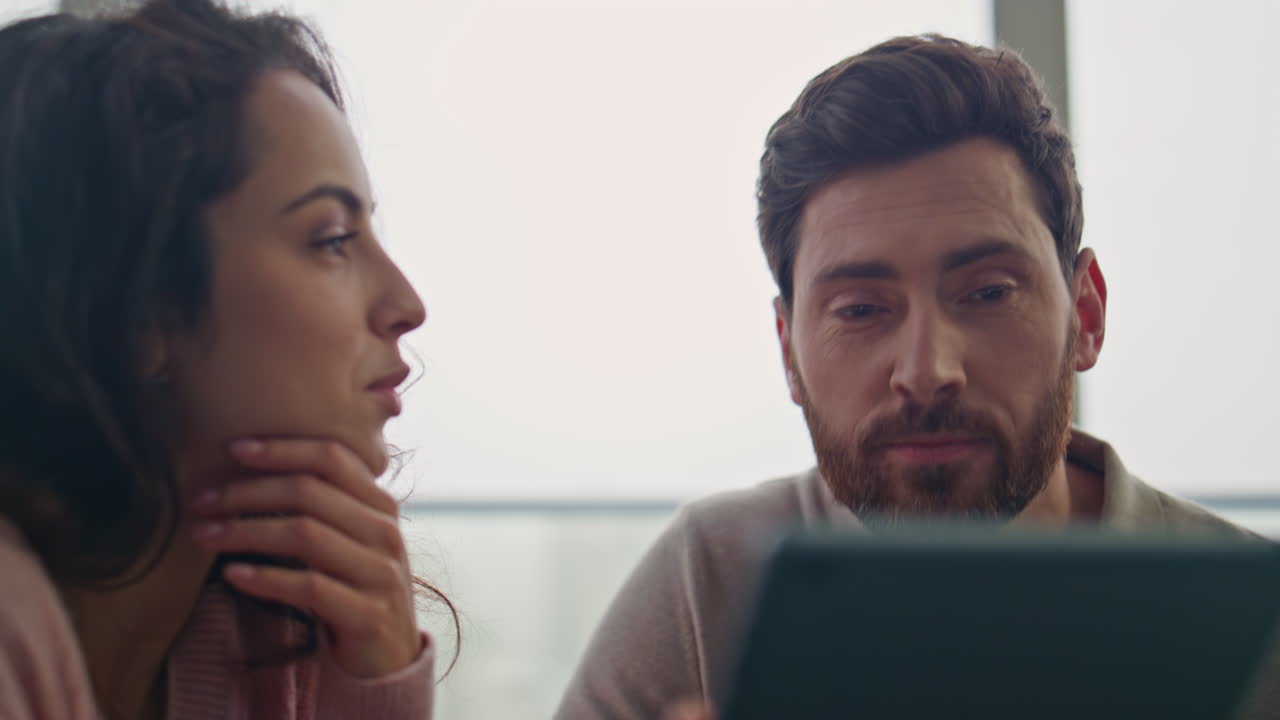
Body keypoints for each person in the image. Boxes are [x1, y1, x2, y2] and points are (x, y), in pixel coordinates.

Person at [556, 34, 1280, 720]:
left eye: (990, 292)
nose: (928, 373)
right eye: (862, 308)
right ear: (788, 351)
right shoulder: (710, 577)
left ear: (1084, 315)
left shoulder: (1260, 621)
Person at [0, 1, 445, 717]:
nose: (406, 303)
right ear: (141, 310)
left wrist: (376, 683)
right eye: (331, 239)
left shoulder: (278, 628)